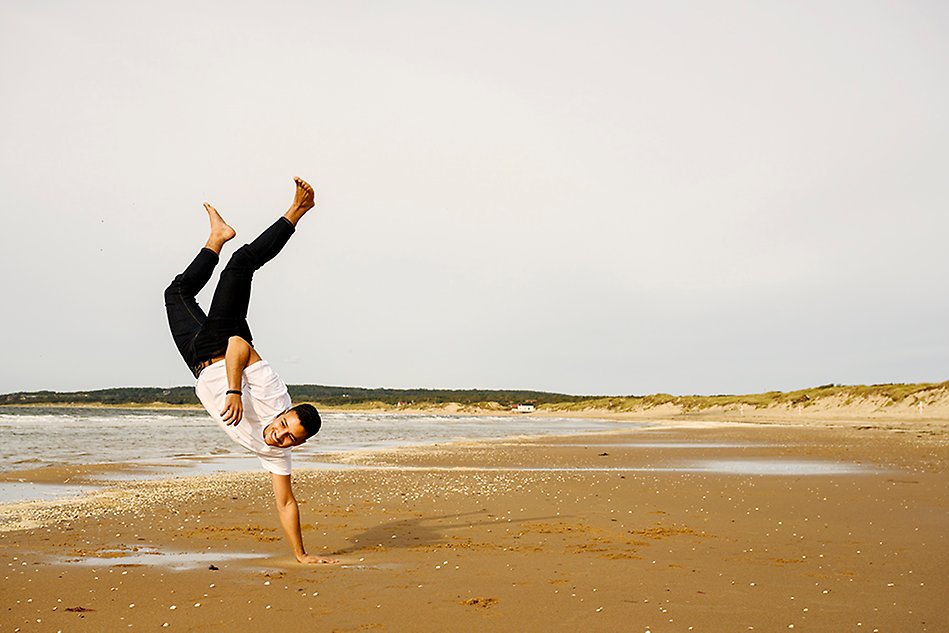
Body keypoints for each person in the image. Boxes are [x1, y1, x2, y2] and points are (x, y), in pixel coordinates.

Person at [164, 176, 337, 564]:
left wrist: (301, 556)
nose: (279, 437)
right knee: (241, 264)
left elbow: (287, 502)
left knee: (176, 293)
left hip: (195, 360)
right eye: (285, 426)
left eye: (289, 439)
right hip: (222, 343)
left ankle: (216, 236)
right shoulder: (275, 397)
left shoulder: (276, 454)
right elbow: (239, 346)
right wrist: (234, 391)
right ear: (287, 413)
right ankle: (297, 211)